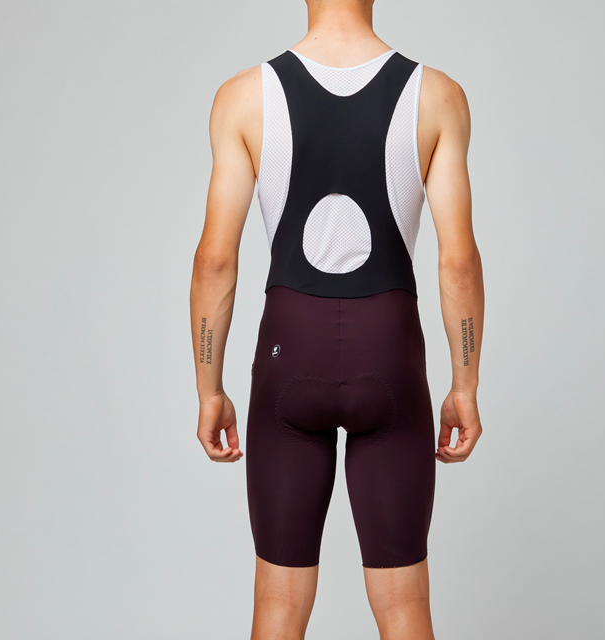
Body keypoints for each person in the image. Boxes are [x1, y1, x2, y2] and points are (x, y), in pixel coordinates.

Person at [189, 0, 484, 637]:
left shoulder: (243, 97)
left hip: (288, 356)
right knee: (404, 606)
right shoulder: (438, 96)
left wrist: (209, 389)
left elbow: (215, 260)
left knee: (278, 604)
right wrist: (465, 385)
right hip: (390, 356)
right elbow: (459, 261)